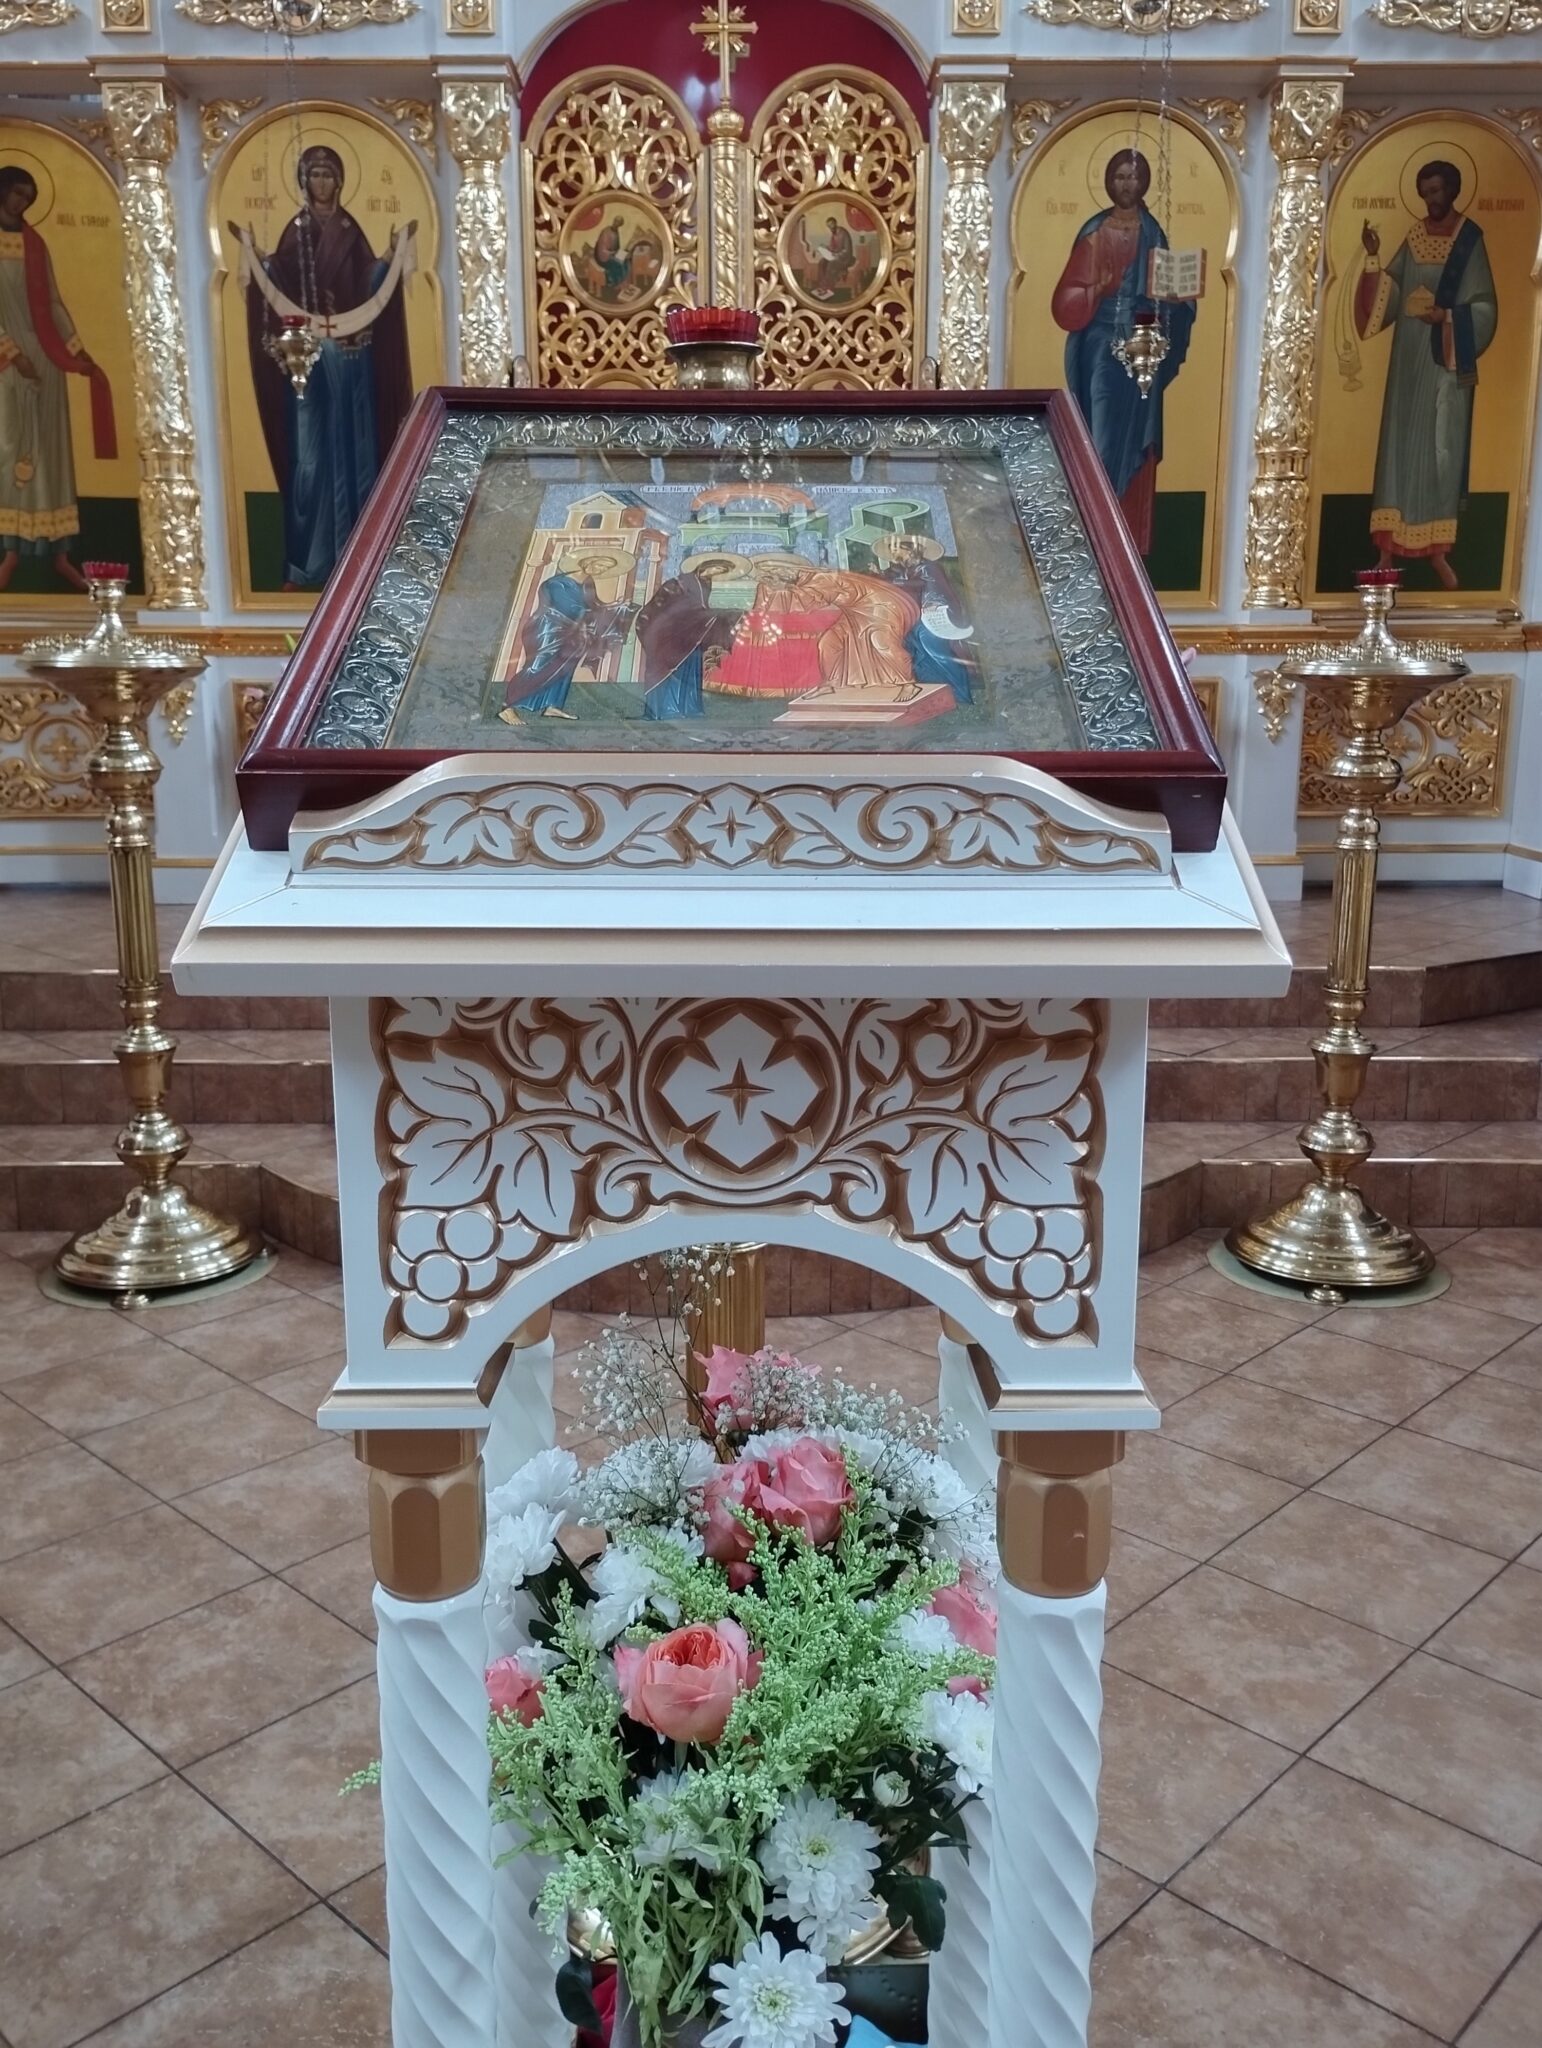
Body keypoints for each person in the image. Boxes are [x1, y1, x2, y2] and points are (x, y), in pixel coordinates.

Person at [235, 145, 414, 592]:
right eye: (314, 175)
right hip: (308, 366)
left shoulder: (350, 232)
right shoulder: (294, 233)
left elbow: (371, 285)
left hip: (353, 362)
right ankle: (306, 565)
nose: (321, 183)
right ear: (304, 182)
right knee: (309, 459)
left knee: (358, 455)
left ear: (339, 181)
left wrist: (389, 260)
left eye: (327, 175)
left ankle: (363, 561)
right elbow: (276, 283)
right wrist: (259, 261)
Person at [1356, 159, 1497, 591]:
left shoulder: (1469, 240)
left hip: (1445, 362)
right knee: (1399, 446)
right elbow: (1392, 292)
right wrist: (1374, 256)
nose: (1430, 200)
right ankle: (1386, 549)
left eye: (1436, 191)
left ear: (1452, 190)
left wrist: (1447, 317)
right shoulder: (1415, 235)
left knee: (1442, 449)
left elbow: (1485, 306)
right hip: (1408, 362)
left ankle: (1438, 553)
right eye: (1424, 193)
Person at [1051, 148, 1195, 556]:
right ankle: (1093, 530)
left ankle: (1126, 540)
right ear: (1109, 181)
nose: (1127, 184)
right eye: (1120, 176)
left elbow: (1165, 293)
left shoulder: (1153, 231)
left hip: (1142, 348)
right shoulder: (1095, 232)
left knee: (1135, 442)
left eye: (1134, 177)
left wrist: (1180, 299)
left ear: (1144, 182)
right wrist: (1100, 287)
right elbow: (1065, 301)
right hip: (1101, 345)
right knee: (1101, 436)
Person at [0, 165, 116, 593]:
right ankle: (11, 553)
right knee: (12, 451)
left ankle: (60, 556)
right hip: (6, 365)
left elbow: (52, 302)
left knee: (52, 453)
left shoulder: (35, 244)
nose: (21, 203)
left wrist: (77, 350)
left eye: (27, 197)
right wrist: (12, 354)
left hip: (46, 358)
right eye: (16, 194)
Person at [500, 561, 627, 722]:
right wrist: (594, 613)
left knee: (566, 666)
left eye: (605, 568)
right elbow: (570, 607)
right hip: (548, 628)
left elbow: (593, 604)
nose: (601, 569)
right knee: (538, 666)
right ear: (586, 561)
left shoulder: (587, 583)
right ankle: (508, 706)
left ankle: (553, 705)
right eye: (600, 564)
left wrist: (614, 606)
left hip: (572, 631)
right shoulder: (557, 583)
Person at [883, 538, 978, 705]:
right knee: (915, 653)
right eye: (892, 553)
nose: (894, 556)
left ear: (909, 550)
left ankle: (961, 694)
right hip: (915, 619)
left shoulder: (928, 567)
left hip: (934, 617)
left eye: (896, 551)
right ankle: (936, 691)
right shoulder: (906, 570)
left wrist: (928, 602)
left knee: (937, 652)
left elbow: (935, 590)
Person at [634, 569, 734, 720]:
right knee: (670, 671)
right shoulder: (679, 583)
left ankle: (688, 707)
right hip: (672, 636)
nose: (717, 571)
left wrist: (718, 616)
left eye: (721, 571)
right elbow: (662, 609)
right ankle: (668, 709)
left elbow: (701, 611)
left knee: (689, 673)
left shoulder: (704, 584)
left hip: (692, 637)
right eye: (717, 567)